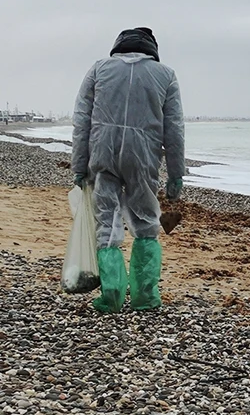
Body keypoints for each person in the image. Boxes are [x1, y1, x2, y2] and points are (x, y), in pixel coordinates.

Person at [72, 27, 185, 313]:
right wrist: (175, 175)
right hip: (143, 157)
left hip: (102, 154)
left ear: (118, 47)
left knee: (106, 224)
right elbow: (174, 131)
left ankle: (111, 295)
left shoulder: (98, 70)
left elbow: (82, 120)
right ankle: (145, 296)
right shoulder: (165, 75)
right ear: (152, 50)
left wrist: (78, 165)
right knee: (147, 224)